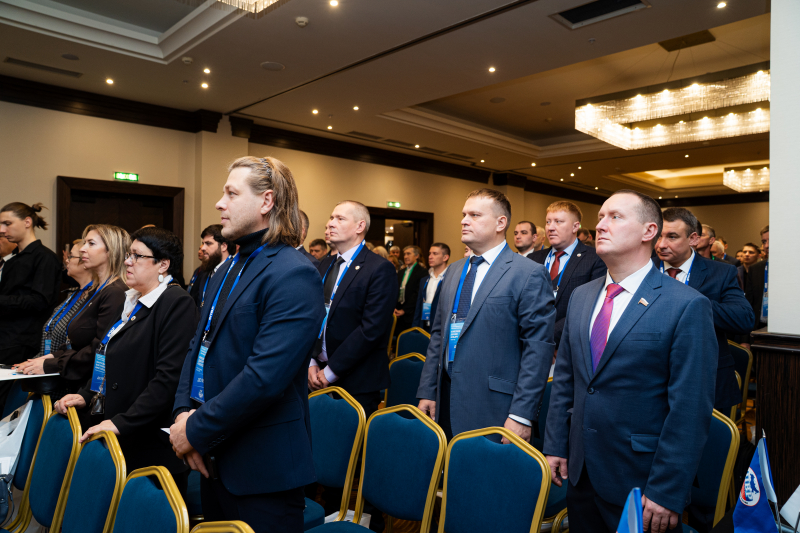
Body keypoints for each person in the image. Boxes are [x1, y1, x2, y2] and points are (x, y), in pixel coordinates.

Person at [543, 190, 717, 533]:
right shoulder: (581, 296)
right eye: (600, 217)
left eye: (615, 217)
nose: (600, 225)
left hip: (641, 479)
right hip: (580, 471)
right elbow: (566, 380)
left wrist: (666, 490)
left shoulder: (686, 305)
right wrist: (556, 445)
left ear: (648, 231)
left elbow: (689, 409)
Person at [170, 156, 323, 533]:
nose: (219, 203)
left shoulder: (293, 273)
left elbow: (263, 379)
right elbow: (197, 347)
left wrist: (195, 429)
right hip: (214, 452)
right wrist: (182, 413)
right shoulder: (228, 267)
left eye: (231, 194)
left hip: (261, 468)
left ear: (266, 201)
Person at [56, 228, 199, 492]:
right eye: (128, 255)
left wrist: (121, 422)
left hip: (148, 442)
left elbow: (168, 379)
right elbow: (107, 354)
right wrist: (86, 394)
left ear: (163, 264)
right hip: (119, 432)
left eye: (137, 256)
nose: (127, 262)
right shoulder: (132, 298)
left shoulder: (176, 302)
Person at [417, 188, 555, 444]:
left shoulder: (527, 273)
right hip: (445, 398)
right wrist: (428, 390)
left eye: (475, 215)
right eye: (464, 214)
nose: (464, 221)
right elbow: (438, 335)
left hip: (495, 406)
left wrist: (522, 415)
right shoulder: (455, 270)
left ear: (500, 223)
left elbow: (537, 350)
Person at [308, 201, 397, 527]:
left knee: (355, 456)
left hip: (356, 379)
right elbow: (310, 316)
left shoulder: (378, 268)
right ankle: (330, 516)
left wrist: (331, 371)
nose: (330, 222)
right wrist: (311, 362)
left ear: (360, 226)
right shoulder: (323, 265)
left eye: (339, 218)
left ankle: (367, 520)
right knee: (324, 450)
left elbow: (371, 329)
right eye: (330, 217)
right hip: (316, 373)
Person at [655, 208, 752, 414]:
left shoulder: (722, 272)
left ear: (693, 239)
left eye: (672, 236)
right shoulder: (641, 269)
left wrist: (688, 300)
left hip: (706, 381)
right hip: (650, 382)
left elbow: (743, 319)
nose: (661, 244)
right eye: (658, 236)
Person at [17, 225, 130, 392]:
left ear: (110, 251)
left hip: (88, 388)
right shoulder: (97, 289)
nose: (83, 249)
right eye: (85, 243)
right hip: (76, 382)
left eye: (91, 243)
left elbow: (99, 349)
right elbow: (78, 344)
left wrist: (52, 364)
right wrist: (51, 357)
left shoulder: (115, 292)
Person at [0, 202, 62, 408]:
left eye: (7, 223)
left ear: (27, 222)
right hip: (7, 338)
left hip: (23, 341)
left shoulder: (45, 258)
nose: (2, 230)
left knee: (7, 401)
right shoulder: (12, 261)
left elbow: (40, 300)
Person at [529, 201, 607, 349]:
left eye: (558, 222)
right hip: (529, 342)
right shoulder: (533, 259)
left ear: (575, 227)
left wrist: (547, 340)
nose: (550, 227)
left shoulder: (595, 259)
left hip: (566, 347)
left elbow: (588, 308)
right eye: (548, 222)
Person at [29, 239, 94, 361]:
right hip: (48, 365)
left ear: (85, 262)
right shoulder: (73, 294)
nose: (66, 260)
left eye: (71, 257)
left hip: (63, 367)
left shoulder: (93, 298)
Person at [412, 243, 450, 333]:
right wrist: (415, 329)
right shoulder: (424, 280)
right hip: (424, 327)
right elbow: (418, 307)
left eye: (435, 254)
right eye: (429, 253)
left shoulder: (451, 279)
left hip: (441, 329)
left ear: (445, 257)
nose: (430, 257)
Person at [743, 226, 769, 350]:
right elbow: (748, 305)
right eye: (764, 242)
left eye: (771, 240)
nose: (767, 246)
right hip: (758, 330)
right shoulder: (756, 269)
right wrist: (745, 340)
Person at [394, 245, 426, 335]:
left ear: (417, 256)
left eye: (408, 254)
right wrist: (395, 308)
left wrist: (404, 310)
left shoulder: (422, 272)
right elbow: (396, 291)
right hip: (398, 313)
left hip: (412, 314)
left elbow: (417, 293)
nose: (405, 256)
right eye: (404, 254)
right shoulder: (401, 272)